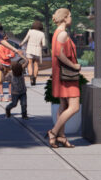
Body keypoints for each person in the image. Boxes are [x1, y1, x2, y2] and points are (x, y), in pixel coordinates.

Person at [47, 8, 81, 148]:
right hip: (67, 75)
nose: (71, 18)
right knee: (74, 107)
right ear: (65, 18)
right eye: (70, 16)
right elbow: (59, 54)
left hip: (60, 74)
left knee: (63, 106)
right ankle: (54, 132)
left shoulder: (57, 33)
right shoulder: (63, 34)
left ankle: (61, 137)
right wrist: (74, 66)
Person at [19, 20, 47, 85]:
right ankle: (35, 78)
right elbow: (44, 44)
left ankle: (31, 77)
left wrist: (21, 43)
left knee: (29, 63)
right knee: (36, 64)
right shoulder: (42, 34)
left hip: (30, 49)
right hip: (38, 50)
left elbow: (25, 39)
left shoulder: (30, 31)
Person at [0, 27, 17, 102]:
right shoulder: (0, 47)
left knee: (10, 81)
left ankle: (10, 96)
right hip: (2, 65)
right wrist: (9, 55)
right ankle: (2, 96)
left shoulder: (9, 46)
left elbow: (13, 54)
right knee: (0, 81)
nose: (7, 40)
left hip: (8, 65)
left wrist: (9, 55)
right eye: (5, 38)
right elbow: (4, 57)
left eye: (7, 38)